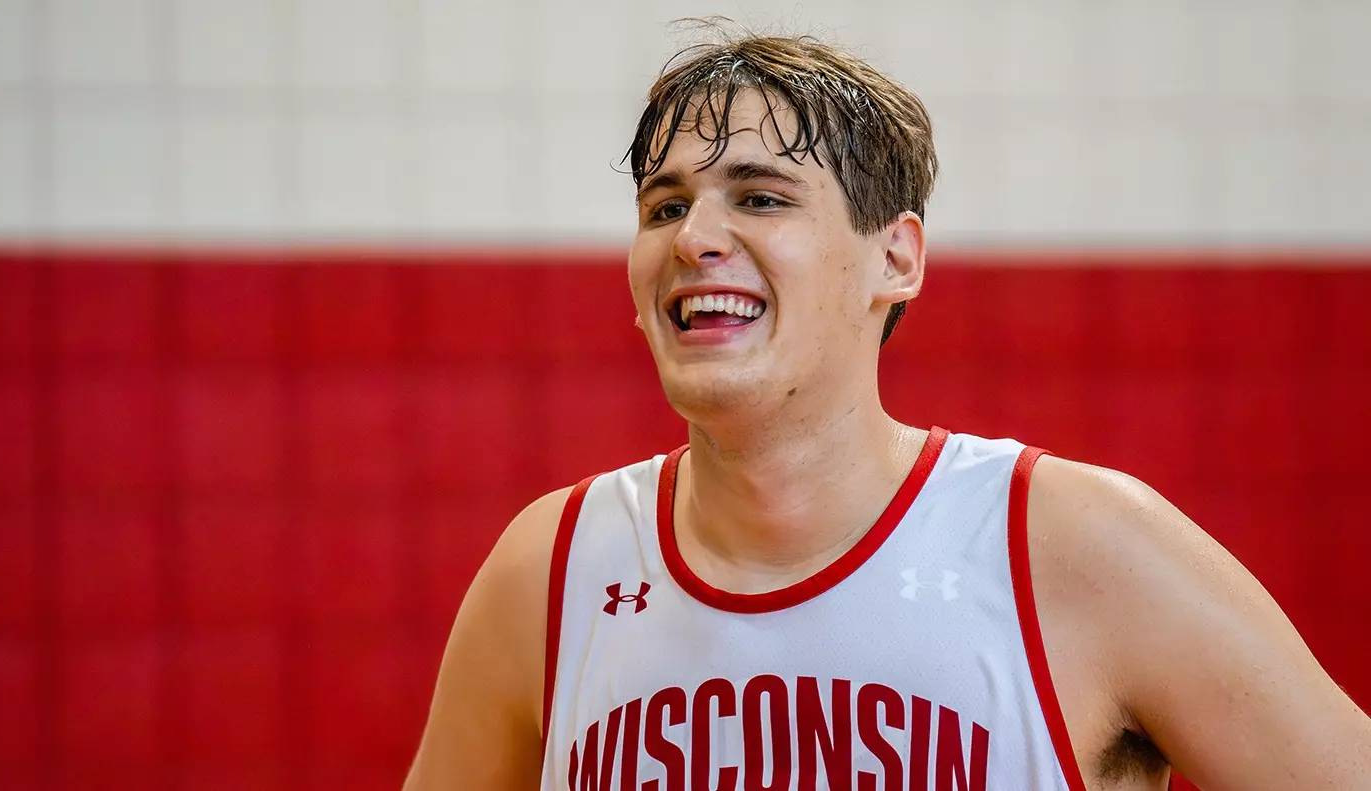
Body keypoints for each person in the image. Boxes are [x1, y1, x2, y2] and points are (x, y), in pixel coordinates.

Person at [404, 28, 1371, 790]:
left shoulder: (1084, 547)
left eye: (762, 197)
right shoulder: (552, 569)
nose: (696, 236)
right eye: (664, 207)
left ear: (896, 258)